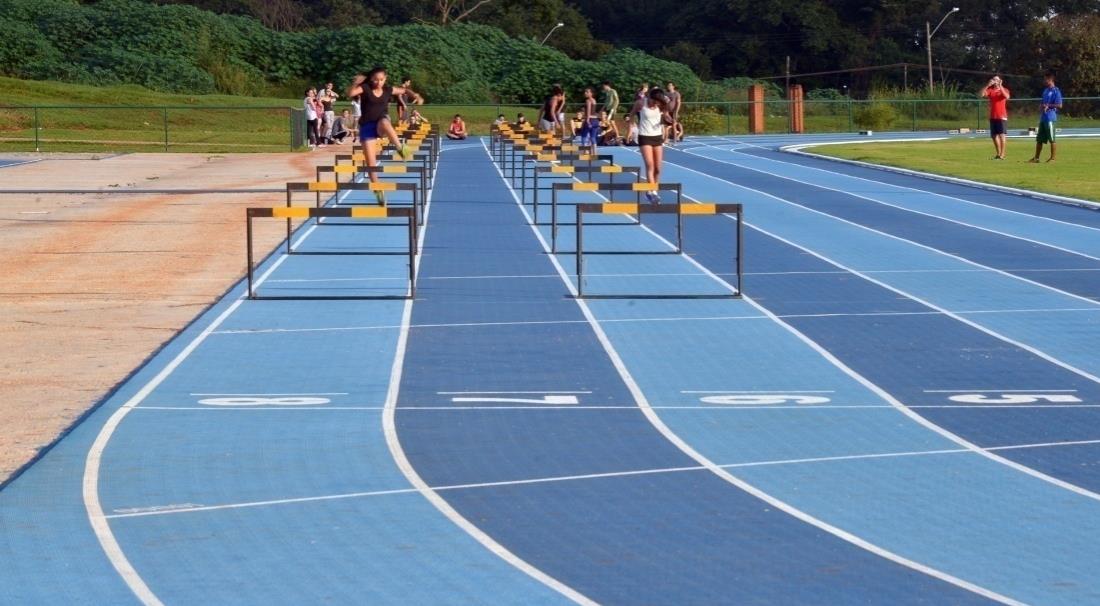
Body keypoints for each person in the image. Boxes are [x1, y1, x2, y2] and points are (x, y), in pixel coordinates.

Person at [346, 66, 421, 203]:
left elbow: (404, 90)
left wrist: (415, 95)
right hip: (367, 127)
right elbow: (351, 93)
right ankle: (378, 190)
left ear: (385, 79)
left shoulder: (388, 89)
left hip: (380, 123)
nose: (378, 82)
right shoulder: (365, 88)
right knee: (371, 164)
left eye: (381, 80)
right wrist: (357, 83)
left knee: (386, 122)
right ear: (371, 79)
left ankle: (400, 148)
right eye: (375, 79)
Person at [631, 86, 673, 203]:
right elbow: (631, 115)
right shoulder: (640, 103)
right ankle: (652, 192)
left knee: (658, 169)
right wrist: (631, 127)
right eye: (654, 101)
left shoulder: (660, 105)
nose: (656, 104)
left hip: (657, 137)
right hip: (644, 136)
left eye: (658, 102)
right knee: (650, 165)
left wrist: (669, 119)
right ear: (650, 98)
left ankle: (652, 190)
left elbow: (666, 115)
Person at [1030, 71, 1063, 163]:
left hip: (1050, 118)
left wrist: (1049, 105)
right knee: (1039, 139)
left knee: (1052, 139)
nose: (1044, 81)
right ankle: (1036, 158)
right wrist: (1041, 106)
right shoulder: (1045, 90)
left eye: (1045, 79)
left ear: (1050, 80)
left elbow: (1060, 105)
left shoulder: (1056, 91)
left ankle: (1052, 158)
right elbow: (1043, 102)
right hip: (1043, 118)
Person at [980, 76, 1010, 159]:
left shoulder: (1004, 89)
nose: (994, 81)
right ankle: (998, 153)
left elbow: (1007, 96)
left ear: (1000, 80)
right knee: (994, 136)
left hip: (1002, 116)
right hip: (993, 116)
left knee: (1002, 135)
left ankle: (1003, 154)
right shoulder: (990, 90)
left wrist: (1000, 86)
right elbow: (982, 94)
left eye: (996, 79)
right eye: (993, 79)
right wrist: (987, 85)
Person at [579, 86, 599, 152]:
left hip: (590, 120)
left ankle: (585, 151)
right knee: (593, 137)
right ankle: (595, 153)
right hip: (595, 121)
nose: (585, 93)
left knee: (583, 136)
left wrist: (587, 120)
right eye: (585, 92)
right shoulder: (594, 100)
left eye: (587, 92)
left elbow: (589, 111)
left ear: (591, 93)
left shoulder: (588, 100)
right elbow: (594, 111)